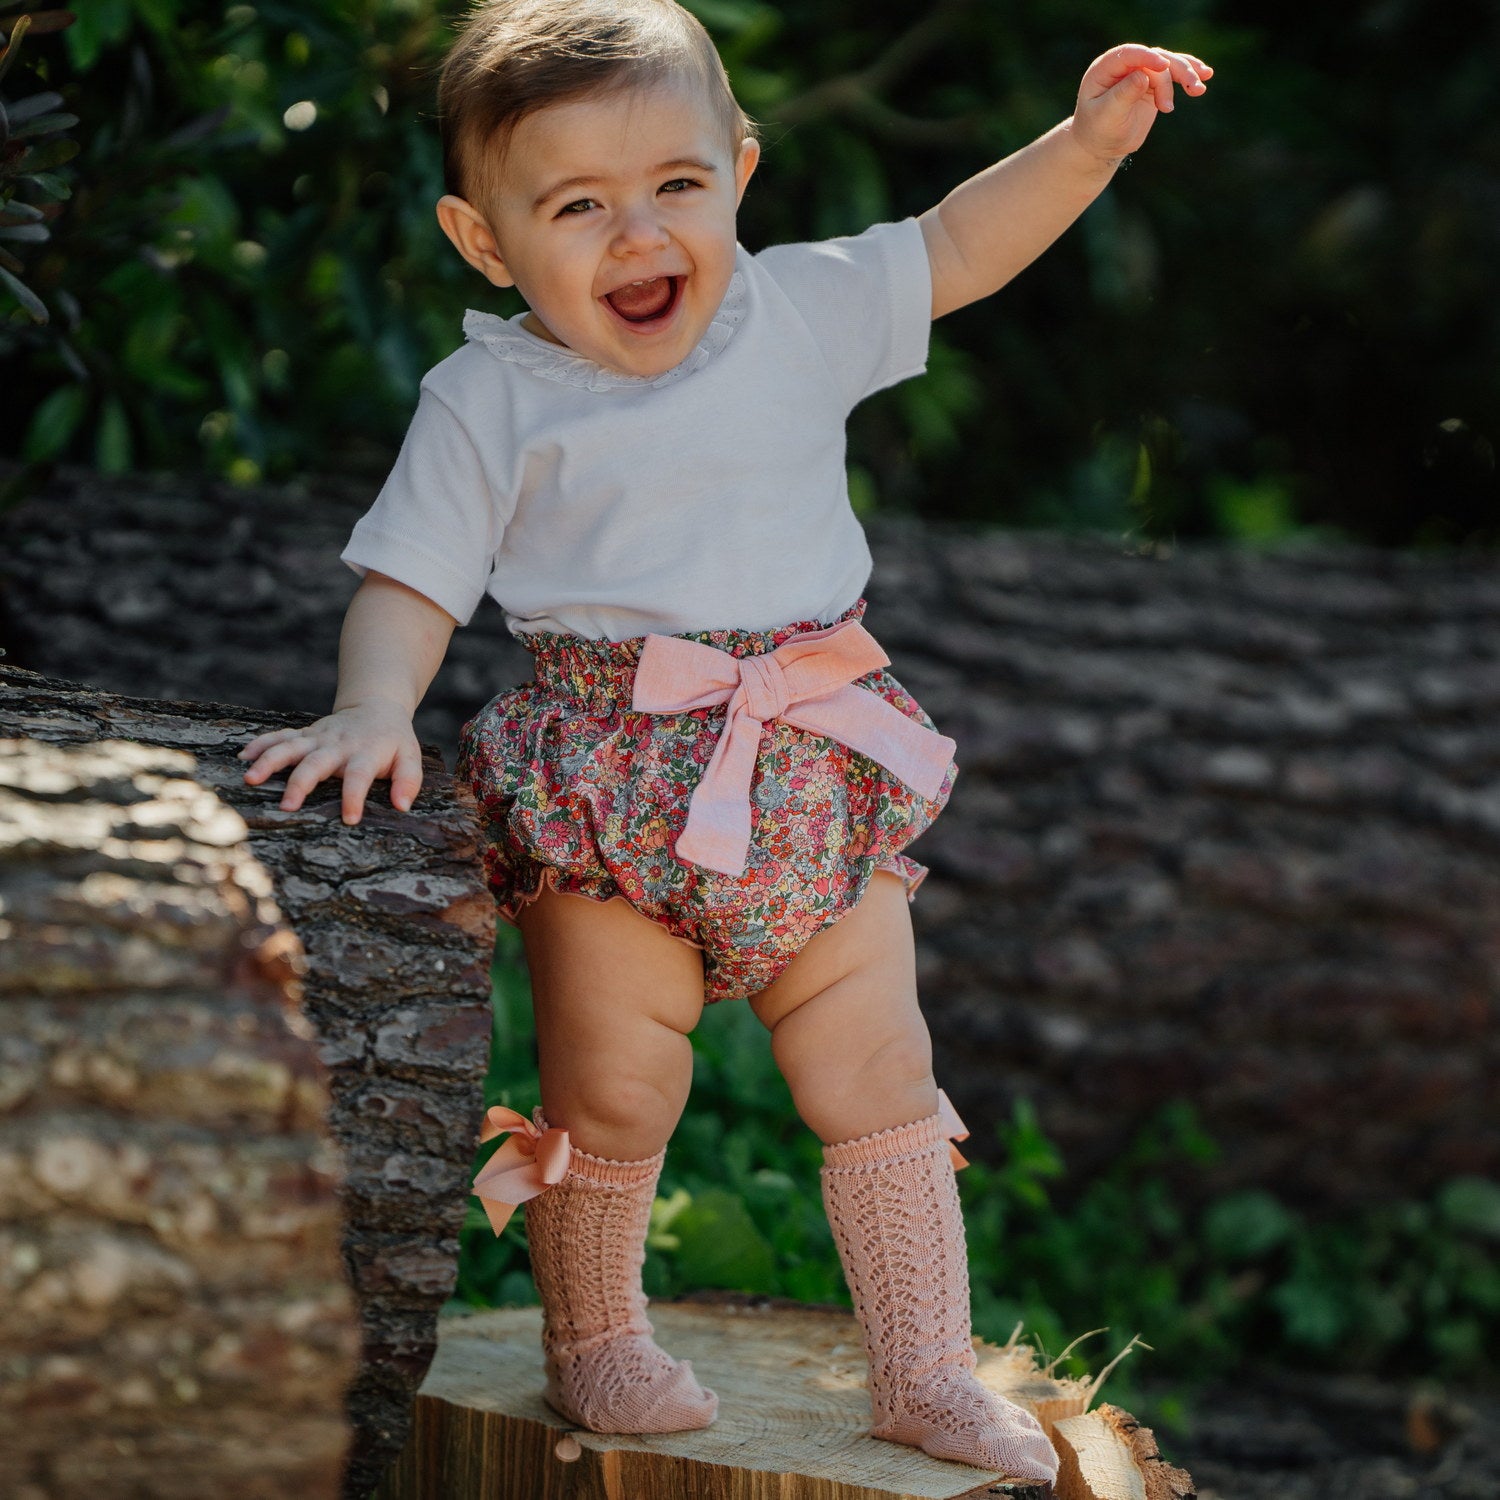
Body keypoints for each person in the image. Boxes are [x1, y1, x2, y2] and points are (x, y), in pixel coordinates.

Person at [238, 0, 1210, 1481]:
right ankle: (596, 1341)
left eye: (676, 185)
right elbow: (412, 581)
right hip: (606, 786)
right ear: (484, 239)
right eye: (578, 206)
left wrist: (1085, 148)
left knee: (879, 1067)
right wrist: (376, 705)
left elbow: (957, 245)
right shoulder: (488, 396)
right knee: (619, 1086)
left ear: (741, 172)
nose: (640, 235)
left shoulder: (796, 308)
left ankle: (925, 1369)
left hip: (812, 760)